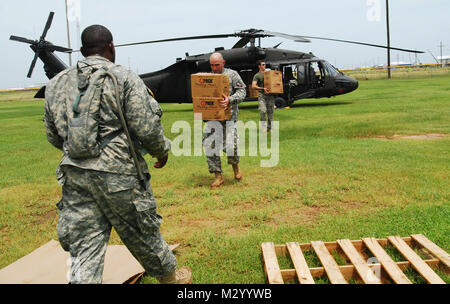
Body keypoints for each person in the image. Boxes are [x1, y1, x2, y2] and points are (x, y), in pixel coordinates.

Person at [44, 24, 192, 284]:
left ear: (82, 50)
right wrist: (161, 151)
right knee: (143, 234)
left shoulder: (57, 83)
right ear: (111, 47)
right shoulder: (124, 77)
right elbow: (146, 127)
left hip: (75, 176)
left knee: (84, 247)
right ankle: (173, 281)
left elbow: (54, 135)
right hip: (119, 177)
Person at [203, 52, 246, 188]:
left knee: (231, 146)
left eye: (217, 65)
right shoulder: (207, 78)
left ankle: (236, 167)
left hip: (229, 118)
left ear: (223, 63)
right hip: (212, 119)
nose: (214, 68)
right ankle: (218, 176)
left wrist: (230, 99)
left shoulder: (232, 75)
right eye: (212, 65)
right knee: (210, 145)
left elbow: (242, 91)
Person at [252, 60, 275, 132]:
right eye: (263, 64)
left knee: (270, 112)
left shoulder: (269, 74)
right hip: (262, 95)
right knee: (263, 110)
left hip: (270, 95)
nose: (264, 66)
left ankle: (270, 128)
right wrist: (262, 88)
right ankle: (264, 127)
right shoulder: (257, 75)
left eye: (265, 64)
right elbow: (253, 86)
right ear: (259, 66)